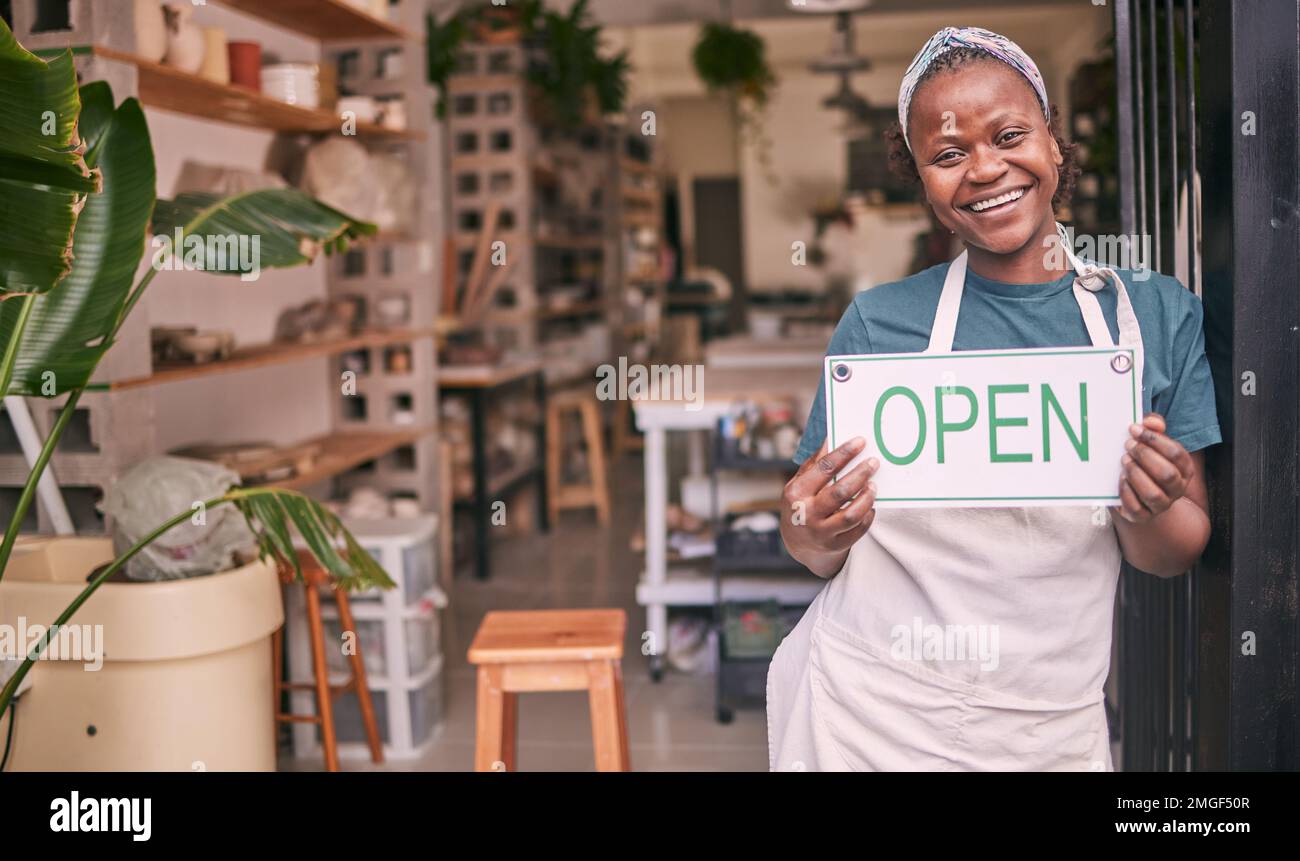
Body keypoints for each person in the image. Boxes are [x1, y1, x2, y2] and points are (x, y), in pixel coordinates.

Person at [767, 26, 1221, 772]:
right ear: (922, 180)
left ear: (1052, 141)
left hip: (1046, 727)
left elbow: (1172, 554)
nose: (984, 168)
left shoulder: (1154, 318)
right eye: (947, 155)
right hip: (865, 713)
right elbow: (809, 545)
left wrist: (1149, 507)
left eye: (1009, 134)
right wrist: (812, 525)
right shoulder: (879, 323)